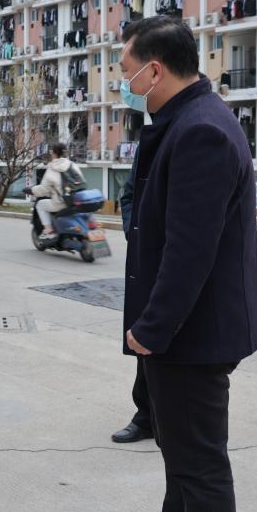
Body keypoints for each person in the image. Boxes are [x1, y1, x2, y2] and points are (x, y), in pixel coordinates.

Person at [120, 16, 257, 512]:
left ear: (154, 71)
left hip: (192, 336)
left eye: (127, 72)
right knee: (184, 465)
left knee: (200, 469)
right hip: (187, 333)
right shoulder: (189, 119)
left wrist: (152, 329)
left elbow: (190, 251)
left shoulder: (200, 130)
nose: (124, 85)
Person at [111, 149, 154, 444]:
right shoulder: (148, 145)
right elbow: (129, 196)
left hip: (182, 260)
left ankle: (173, 418)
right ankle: (146, 416)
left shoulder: (198, 134)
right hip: (147, 260)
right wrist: (133, 230)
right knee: (145, 339)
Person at [27, 142, 77, 241]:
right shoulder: (72, 165)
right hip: (76, 200)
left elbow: (44, 189)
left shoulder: (53, 168)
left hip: (62, 202)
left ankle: (49, 231)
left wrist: (32, 190)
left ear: (54, 153)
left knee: (40, 205)